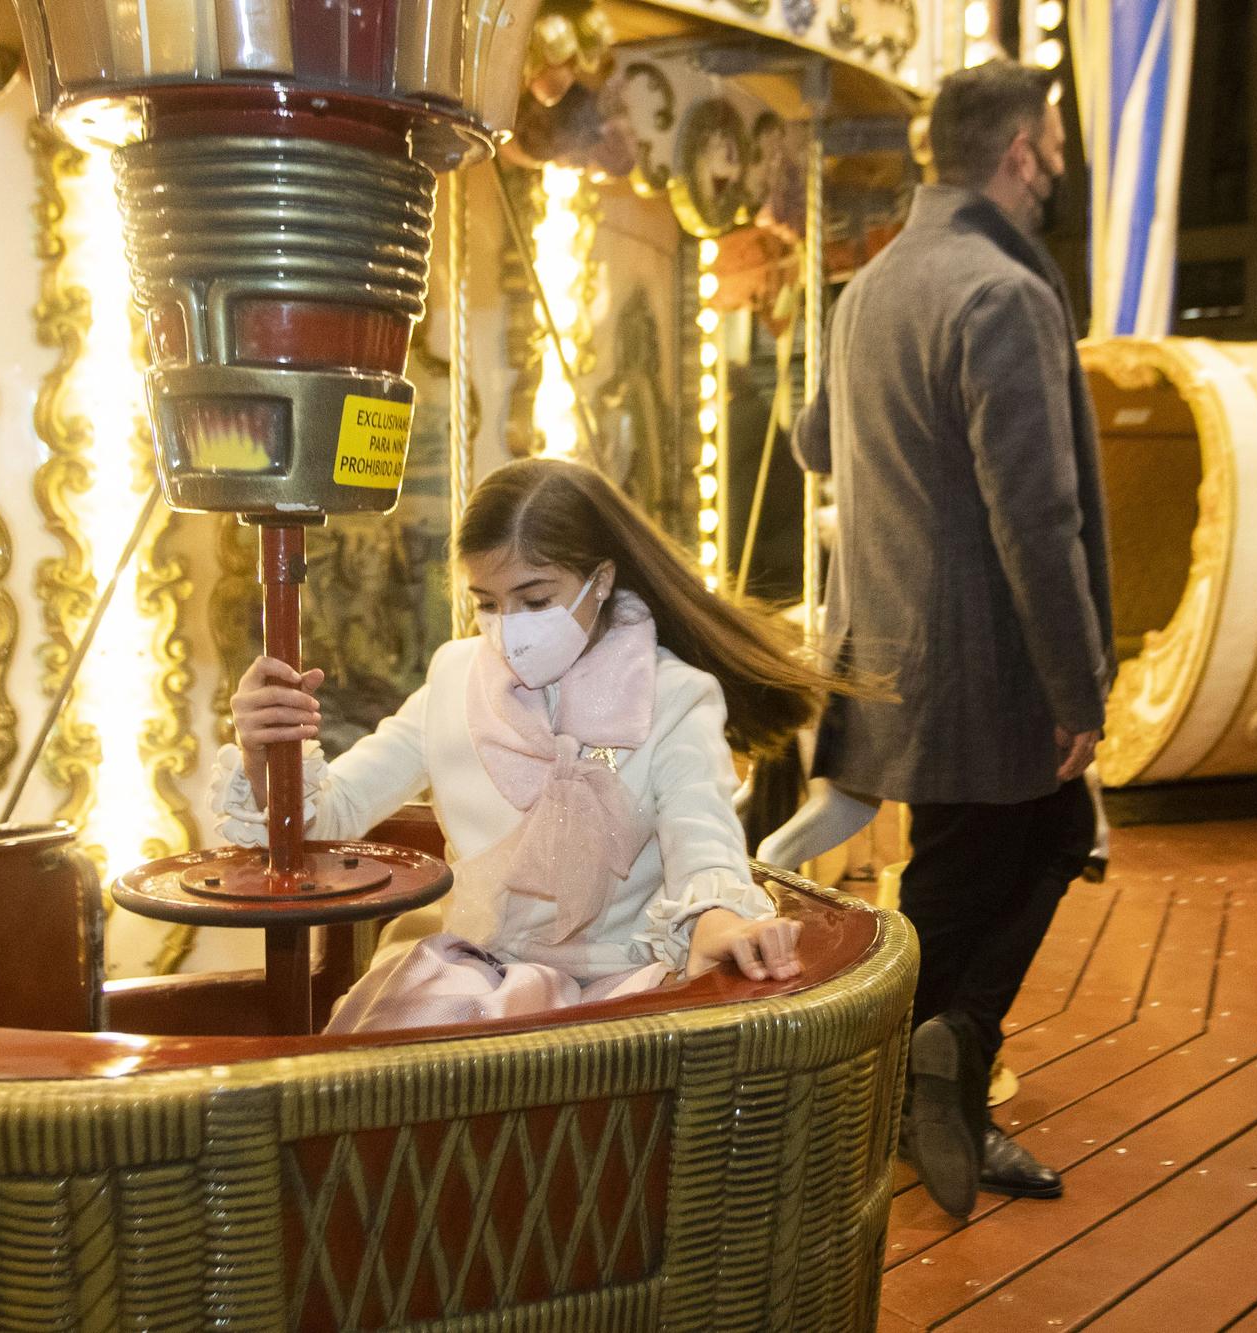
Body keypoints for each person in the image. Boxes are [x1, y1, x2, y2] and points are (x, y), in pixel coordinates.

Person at [791, 59, 1113, 1218]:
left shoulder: (863, 292)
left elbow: (815, 449)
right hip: (987, 670)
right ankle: (922, 1071)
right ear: (1020, 151)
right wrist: (1077, 688)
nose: (1063, 166)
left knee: (979, 861)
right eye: (1059, 145)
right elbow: (1036, 516)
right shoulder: (1002, 294)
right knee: (1002, 863)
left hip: (879, 653)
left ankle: (939, 1089)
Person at [215, 457, 829, 1032]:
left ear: (602, 580)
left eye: (535, 600)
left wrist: (717, 917)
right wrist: (264, 754)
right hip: (478, 969)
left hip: (627, 978)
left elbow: (704, 840)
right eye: (487, 603)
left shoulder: (676, 696)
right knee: (403, 1049)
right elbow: (336, 809)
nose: (509, 628)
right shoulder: (454, 678)